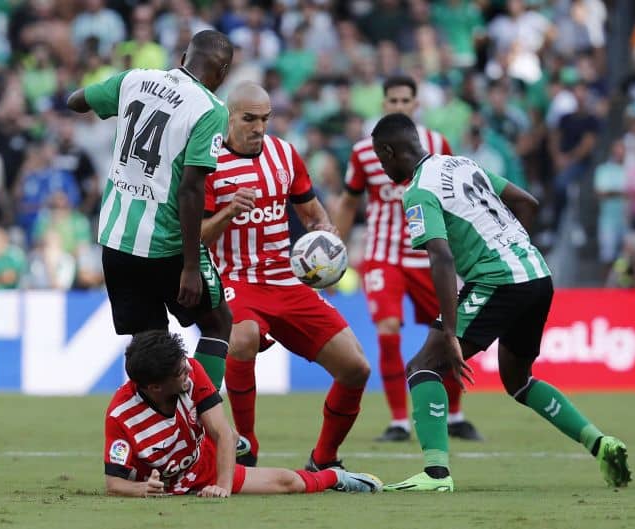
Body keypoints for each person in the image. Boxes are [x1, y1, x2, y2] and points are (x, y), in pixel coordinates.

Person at [370, 113, 631, 492]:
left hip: (498, 280)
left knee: (423, 365)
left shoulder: (418, 191)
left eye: (381, 159)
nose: (382, 166)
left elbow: (440, 257)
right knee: (517, 380)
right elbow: (528, 202)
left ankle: (436, 474)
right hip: (537, 276)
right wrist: (509, 244)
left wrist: (449, 327)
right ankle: (600, 442)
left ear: (390, 151)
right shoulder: (461, 164)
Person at [201, 82, 370, 471]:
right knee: (242, 338)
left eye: (265, 118)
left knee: (356, 368)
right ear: (229, 117)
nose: (259, 127)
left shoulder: (285, 154)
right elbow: (195, 236)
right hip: (235, 279)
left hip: (287, 281)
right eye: (249, 119)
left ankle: (324, 459)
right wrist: (227, 212)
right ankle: (246, 444)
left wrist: (325, 232)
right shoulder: (207, 162)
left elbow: (312, 214)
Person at [66, 30, 234, 381]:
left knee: (148, 345)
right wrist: (190, 266)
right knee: (218, 323)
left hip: (116, 239)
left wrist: (104, 100)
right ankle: (202, 420)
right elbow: (191, 190)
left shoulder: (135, 79)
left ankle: (150, 431)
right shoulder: (209, 109)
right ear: (224, 71)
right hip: (165, 246)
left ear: (184, 56)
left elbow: (75, 101)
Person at [333, 75, 481, 443]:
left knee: (449, 331)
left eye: (405, 101)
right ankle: (399, 420)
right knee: (387, 330)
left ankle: (456, 414)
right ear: (384, 105)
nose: (399, 106)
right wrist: (336, 243)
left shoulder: (437, 144)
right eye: (392, 101)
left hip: (428, 255)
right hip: (383, 255)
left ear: (416, 105)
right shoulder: (363, 151)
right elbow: (351, 200)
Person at [104, 330, 381, 497]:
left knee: (287, 482)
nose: (187, 369)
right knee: (224, 437)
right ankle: (231, 447)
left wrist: (222, 486)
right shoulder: (121, 416)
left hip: (205, 466)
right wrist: (143, 490)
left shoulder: (190, 370)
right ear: (155, 387)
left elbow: (221, 431)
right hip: (169, 478)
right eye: (179, 372)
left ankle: (335, 477)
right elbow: (114, 482)